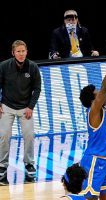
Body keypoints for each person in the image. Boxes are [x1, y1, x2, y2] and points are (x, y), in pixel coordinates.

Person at [78, 39, 106, 200]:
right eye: (98, 93)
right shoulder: (94, 111)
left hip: (103, 163)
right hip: (93, 162)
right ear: (93, 99)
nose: (102, 95)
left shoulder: (103, 110)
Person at [0, 40, 41, 185]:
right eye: (18, 51)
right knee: (4, 135)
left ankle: (29, 163)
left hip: (25, 107)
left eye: (23, 51)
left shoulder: (33, 67)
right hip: (7, 106)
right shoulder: (4, 66)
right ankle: (2, 165)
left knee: (29, 135)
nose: (21, 54)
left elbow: (37, 88)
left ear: (27, 52)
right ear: (13, 53)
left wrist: (30, 107)